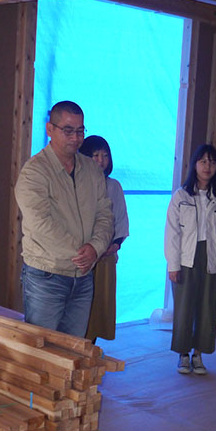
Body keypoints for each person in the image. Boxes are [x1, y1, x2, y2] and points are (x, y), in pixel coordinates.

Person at [15, 101, 113, 337]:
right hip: (47, 275)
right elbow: (40, 224)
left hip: (83, 277)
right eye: (68, 130)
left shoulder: (92, 170)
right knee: (42, 349)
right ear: (50, 129)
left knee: (73, 349)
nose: (76, 138)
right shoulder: (34, 172)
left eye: (80, 131)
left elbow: (105, 214)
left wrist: (95, 248)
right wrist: (82, 253)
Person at [164, 144, 216, 375]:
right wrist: (173, 265)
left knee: (208, 308)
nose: (208, 166)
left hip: (214, 258)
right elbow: (171, 232)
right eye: (203, 161)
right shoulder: (181, 196)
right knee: (184, 308)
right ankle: (183, 354)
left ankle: (198, 354)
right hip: (186, 259)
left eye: (212, 162)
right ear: (195, 165)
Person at [79, 135, 129, 342]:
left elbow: (121, 219)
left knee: (100, 304)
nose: (101, 160)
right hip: (80, 256)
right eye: (95, 155)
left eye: (105, 155)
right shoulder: (77, 184)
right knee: (79, 307)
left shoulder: (113, 186)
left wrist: (114, 245)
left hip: (105, 257)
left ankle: (92, 347)